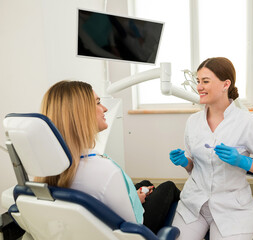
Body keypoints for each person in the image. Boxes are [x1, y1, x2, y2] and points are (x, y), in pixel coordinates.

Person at [35, 80, 180, 234]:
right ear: (81, 113)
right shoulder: (105, 171)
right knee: (168, 187)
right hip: (131, 231)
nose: (104, 109)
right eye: (98, 103)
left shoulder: (47, 166)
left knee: (144, 183)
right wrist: (134, 203)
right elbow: (131, 225)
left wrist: (134, 199)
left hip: (87, 227)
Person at [169, 57, 253, 240]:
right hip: (194, 203)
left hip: (232, 208)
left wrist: (243, 161)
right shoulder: (193, 122)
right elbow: (193, 167)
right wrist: (185, 162)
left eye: (205, 81)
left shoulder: (248, 122)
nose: (199, 87)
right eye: (198, 81)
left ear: (225, 84)